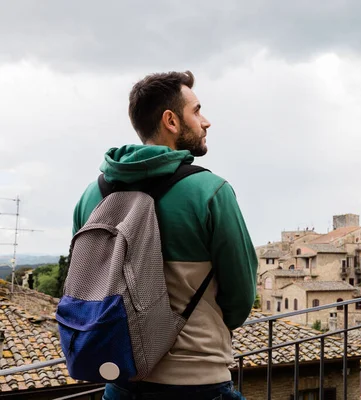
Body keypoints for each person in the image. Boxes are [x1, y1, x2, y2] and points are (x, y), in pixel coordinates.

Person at [72, 70, 257, 399]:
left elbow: (83, 286)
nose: (206, 121)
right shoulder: (211, 192)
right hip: (197, 380)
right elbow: (240, 296)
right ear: (171, 121)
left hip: (120, 380)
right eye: (197, 110)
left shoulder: (91, 196)